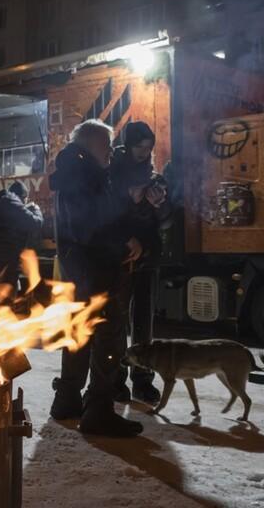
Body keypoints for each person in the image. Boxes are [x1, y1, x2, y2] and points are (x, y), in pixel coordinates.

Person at [48, 119, 144, 437]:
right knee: (109, 335)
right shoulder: (84, 173)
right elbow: (91, 225)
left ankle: (67, 400)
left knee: (79, 333)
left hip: (80, 269)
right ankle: (99, 410)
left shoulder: (75, 171)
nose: (111, 150)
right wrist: (124, 242)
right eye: (107, 143)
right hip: (95, 269)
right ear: (91, 143)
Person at [109, 121, 172, 406]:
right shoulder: (113, 171)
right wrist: (131, 199)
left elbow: (167, 221)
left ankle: (142, 380)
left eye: (149, 148)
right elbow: (106, 213)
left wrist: (160, 205)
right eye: (139, 147)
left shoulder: (153, 175)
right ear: (128, 144)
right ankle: (115, 379)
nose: (144, 153)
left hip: (148, 256)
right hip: (121, 256)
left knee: (143, 323)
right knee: (118, 321)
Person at [0, 180, 43, 290]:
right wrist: (36, 210)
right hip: (8, 256)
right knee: (6, 292)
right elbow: (35, 223)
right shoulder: (12, 203)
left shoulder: (1, 202)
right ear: (23, 196)